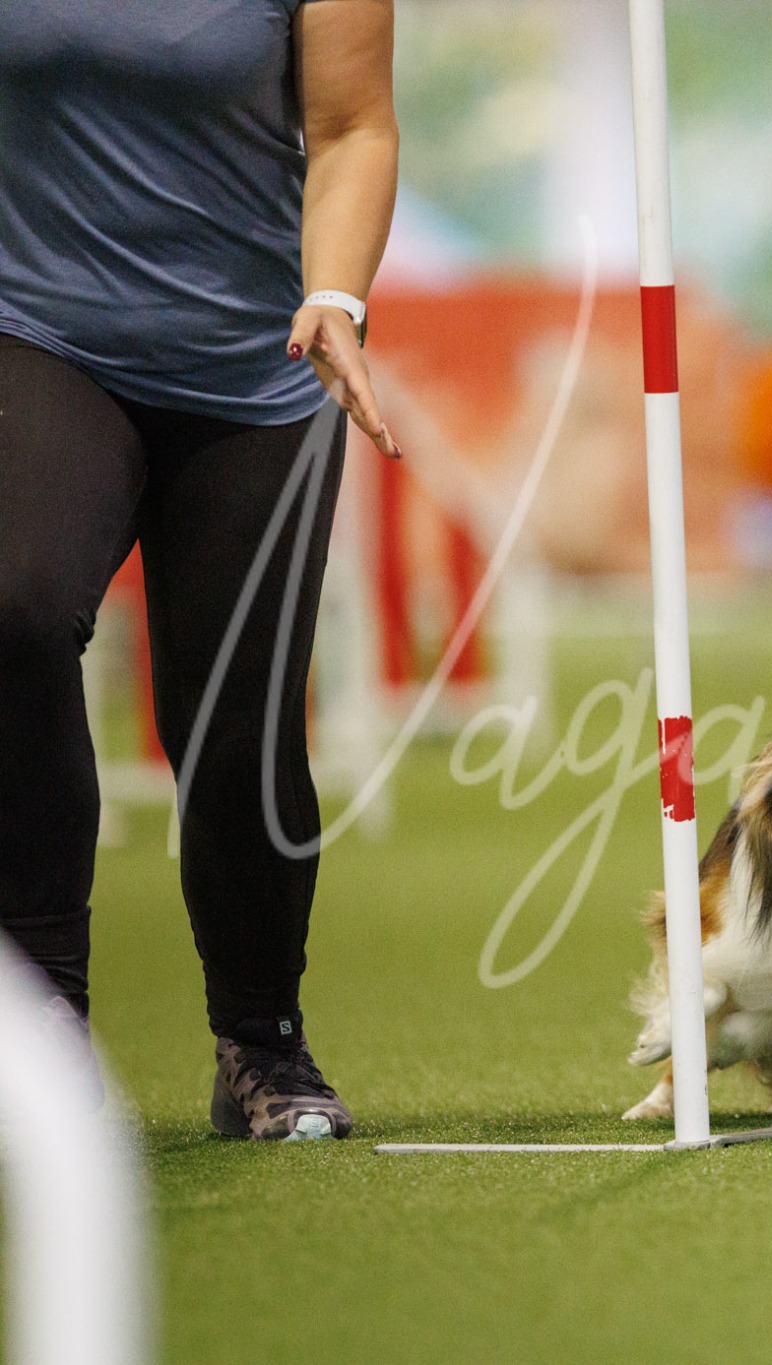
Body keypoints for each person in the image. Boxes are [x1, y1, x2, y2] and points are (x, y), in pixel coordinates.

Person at [0, 0, 401, 1140]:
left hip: (259, 360)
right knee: (15, 605)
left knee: (239, 718)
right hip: (38, 331)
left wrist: (336, 295)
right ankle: (40, 1029)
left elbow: (355, 127)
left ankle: (261, 1039)